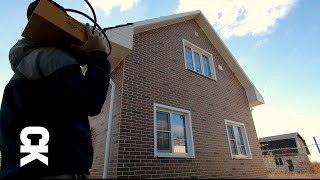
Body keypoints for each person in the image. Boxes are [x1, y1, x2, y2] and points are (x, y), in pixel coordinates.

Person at [0, 0, 111, 178]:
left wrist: (79, 55)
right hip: (58, 171)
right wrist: (98, 55)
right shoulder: (51, 58)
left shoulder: (26, 66)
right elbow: (92, 100)